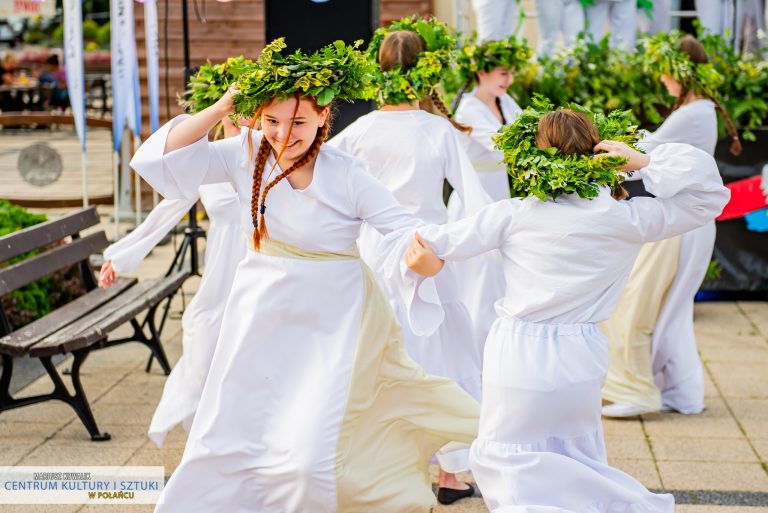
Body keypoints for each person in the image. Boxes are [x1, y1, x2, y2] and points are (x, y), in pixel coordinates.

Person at [130, 39, 479, 513]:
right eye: (272, 120)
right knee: (232, 430)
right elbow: (163, 160)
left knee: (312, 448)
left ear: (323, 116)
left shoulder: (348, 173)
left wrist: (425, 260)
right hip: (260, 311)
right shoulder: (245, 153)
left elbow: (402, 230)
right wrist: (225, 105)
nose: (283, 133)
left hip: (332, 319)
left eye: (297, 121)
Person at [396, 108, 729, 513]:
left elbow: (424, 244)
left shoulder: (512, 214)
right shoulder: (628, 219)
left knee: (507, 461)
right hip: (582, 355)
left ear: (537, 155)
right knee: (577, 457)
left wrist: (418, 263)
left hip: (519, 353)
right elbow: (710, 196)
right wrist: (643, 160)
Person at [329, 24, 490, 505]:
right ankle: (450, 471)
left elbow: (328, 188)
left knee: (383, 351)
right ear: (425, 69)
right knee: (442, 352)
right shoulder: (438, 130)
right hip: (427, 250)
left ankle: (389, 462)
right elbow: (475, 199)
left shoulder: (358, 131)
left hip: (375, 252)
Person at [601, 34, 742, 417]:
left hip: (683, 223)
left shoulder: (696, 112)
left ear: (681, 72)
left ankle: (637, 387)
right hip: (688, 221)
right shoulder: (698, 109)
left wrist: (599, 145)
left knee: (638, 301)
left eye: (665, 74)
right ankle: (681, 393)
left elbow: (647, 151)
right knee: (671, 311)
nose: (662, 82)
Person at [99, 115, 245, 447]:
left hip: (262, 267)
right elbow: (163, 215)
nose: (238, 124)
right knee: (204, 343)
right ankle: (204, 432)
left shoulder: (269, 157)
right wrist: (119, 257)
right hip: (221, 273)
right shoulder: (209, 165)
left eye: (245, 116)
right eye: (232, 119)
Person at [450, 35, 528, 348]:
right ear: (482, 73)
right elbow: (504, 144)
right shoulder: (468, 109)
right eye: (502, 73)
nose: (508, 80)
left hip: (499, 192)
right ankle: (474, 344)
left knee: (498, 276)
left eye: (511, 73)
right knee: (479, 274)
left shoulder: (505, 101)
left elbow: (529, 130)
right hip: (474, 196)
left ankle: (496, 343)